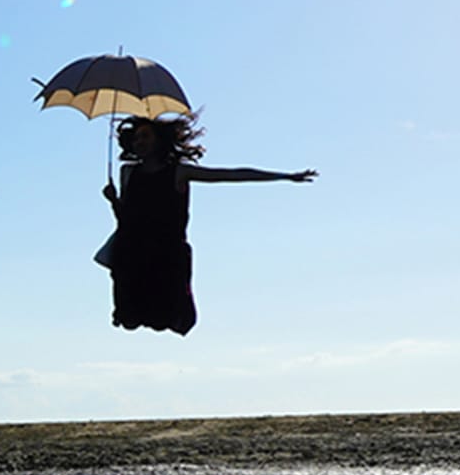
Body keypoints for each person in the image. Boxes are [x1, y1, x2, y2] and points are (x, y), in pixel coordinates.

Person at [100, 115, 313, 336]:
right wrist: (113, 200)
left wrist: (284, 176)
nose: (139, 142)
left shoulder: (179, 172)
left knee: (169, 316)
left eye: (145, 136)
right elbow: (125, 218)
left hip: (166, 252)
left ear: (160, 140)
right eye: (135, 139)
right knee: (131, 317)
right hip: (133, 252)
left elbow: (230, 175)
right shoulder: (128, 172)